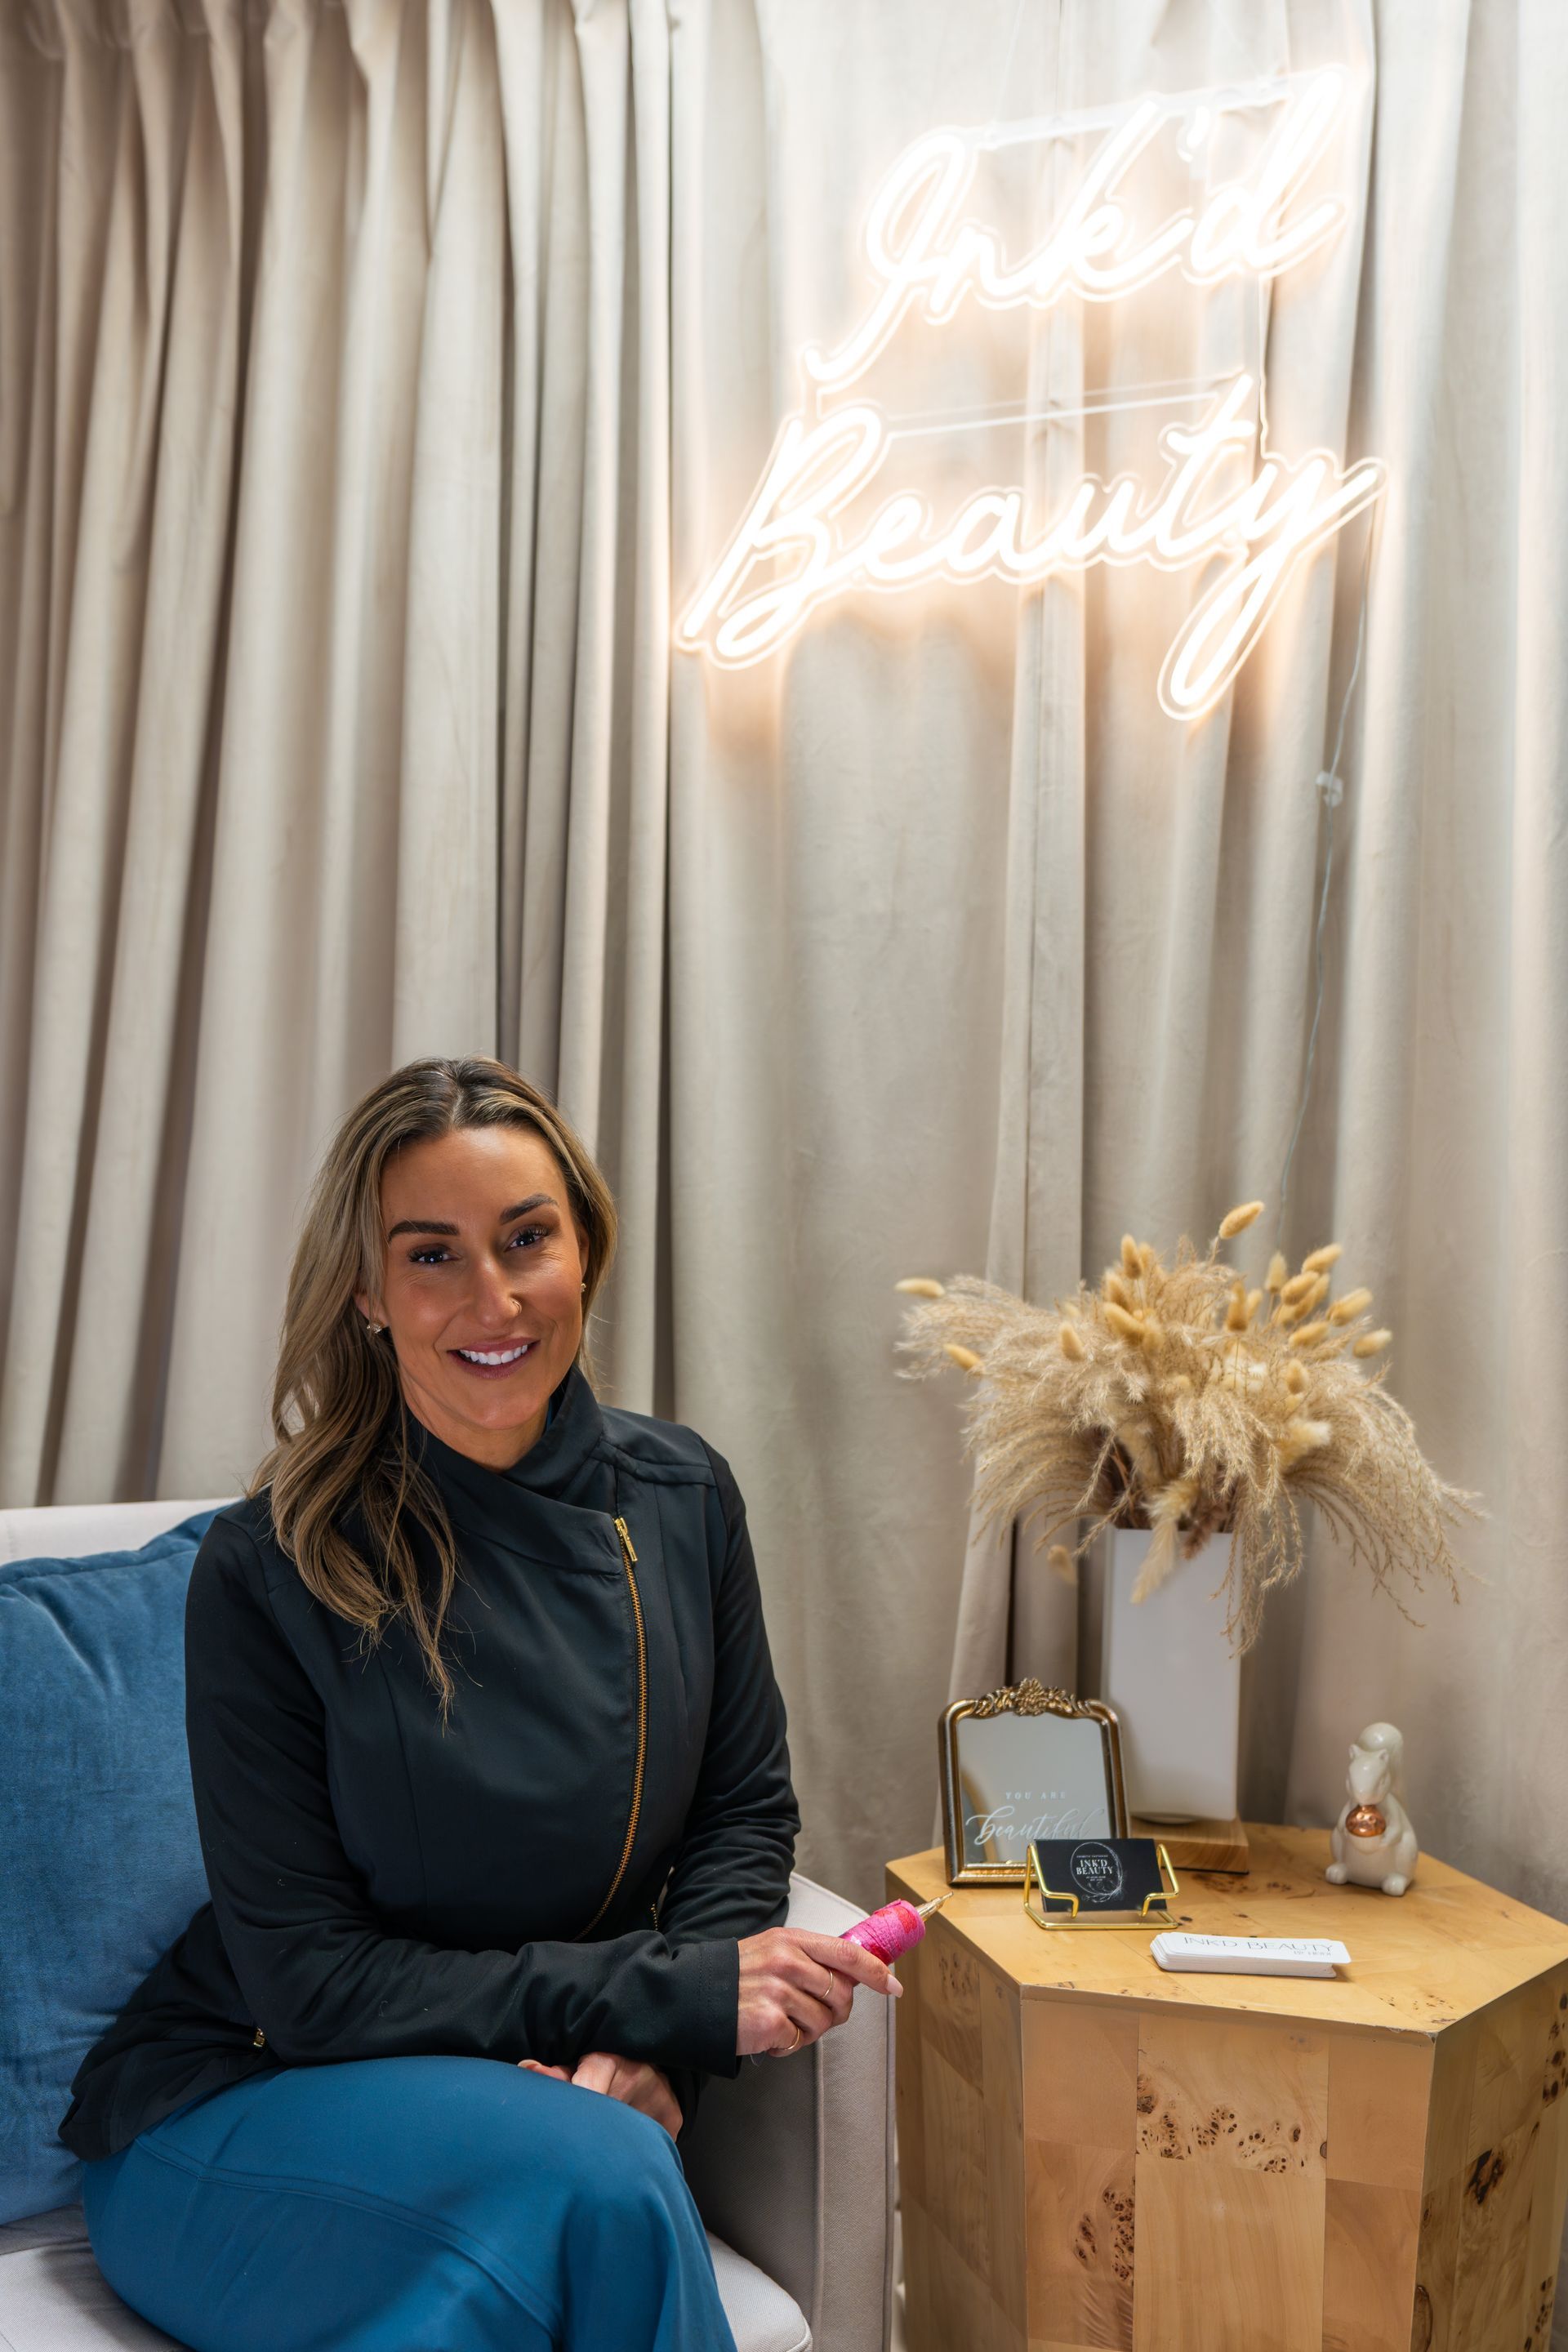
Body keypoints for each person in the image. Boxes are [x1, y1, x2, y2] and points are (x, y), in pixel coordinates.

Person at [60, 1055, 898, 2352]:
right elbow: (313, 1988)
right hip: (249, 2096)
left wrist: (657, 2059)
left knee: (538, 2240)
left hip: (538, 2105)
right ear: (368, 1293)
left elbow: (741, 1819)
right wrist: (656, 1996)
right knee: (604, 2182)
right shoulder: (274, 1562)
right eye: (433, 1255)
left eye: (526, 1239)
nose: (494, 1297)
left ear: (585, 1251)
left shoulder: (682, 1499)